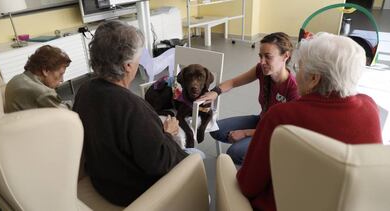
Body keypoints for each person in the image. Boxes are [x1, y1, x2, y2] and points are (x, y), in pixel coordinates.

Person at [237, 32, 382, 211]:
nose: (296, 74)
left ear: (314, 79)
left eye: (299, 67)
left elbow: (248, 186)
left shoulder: (280, 116)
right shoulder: (370, 107)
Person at [72, 20, 187, 206]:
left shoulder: (84, 91)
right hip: (132, 191)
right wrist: (168, 133)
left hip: (103, 180)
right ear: (127, 66)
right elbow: (161, 163)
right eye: (138, 58)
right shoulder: (132, 107)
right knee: (197, 155)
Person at [198, 32, 299, 164]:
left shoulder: (294, 89)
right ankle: (253, 149)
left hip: (276, 134)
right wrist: (215, 92)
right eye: (260, 56)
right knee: (215, 129)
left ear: (285, 56)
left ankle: (265, 159)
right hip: (262, 121)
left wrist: (246, 133)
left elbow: (285, 131)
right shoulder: (262, 71)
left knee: (234, 153)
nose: (262, 62)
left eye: (268, 57)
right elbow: (234, 82)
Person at [5, 45, 72, 112]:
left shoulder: (17, 78)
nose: (62, 80)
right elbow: (65, 112)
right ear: (45, 70)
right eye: (61, 74)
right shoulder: (43, 93)